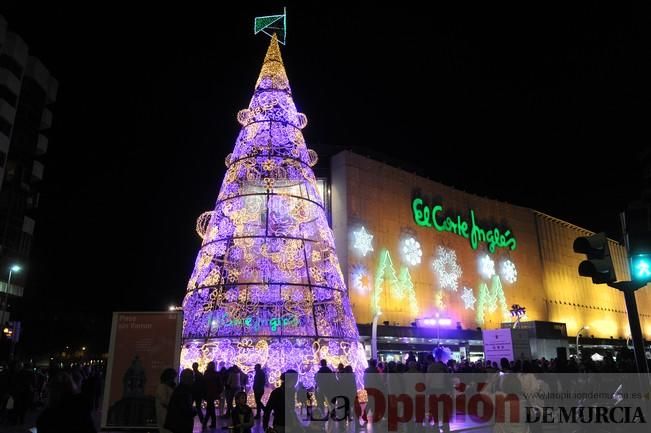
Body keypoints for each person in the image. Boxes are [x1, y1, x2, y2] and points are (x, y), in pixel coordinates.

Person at [164, 369, 194, 433]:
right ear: (187, 379)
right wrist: (193, 411)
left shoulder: (180, 389)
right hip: (181, 425)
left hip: (177, 424)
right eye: (192, 377)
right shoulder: (184, 391)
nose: (193, 380)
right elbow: (184, 409)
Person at [155, 368, 176, 433]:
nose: (173, 380)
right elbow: (165, 401)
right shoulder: (162, 387)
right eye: (172, 378)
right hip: (165, 417)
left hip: (167, 417)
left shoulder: (166, 387)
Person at [203, 361, 222, 429]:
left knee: (210, 408)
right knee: (210, 408)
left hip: (209, 393)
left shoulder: (207, 373)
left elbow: (204, 384)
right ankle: (210, 423)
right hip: (212, 393)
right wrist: (218, 392)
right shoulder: (216, 374)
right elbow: (220, 385)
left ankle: (206, 422)